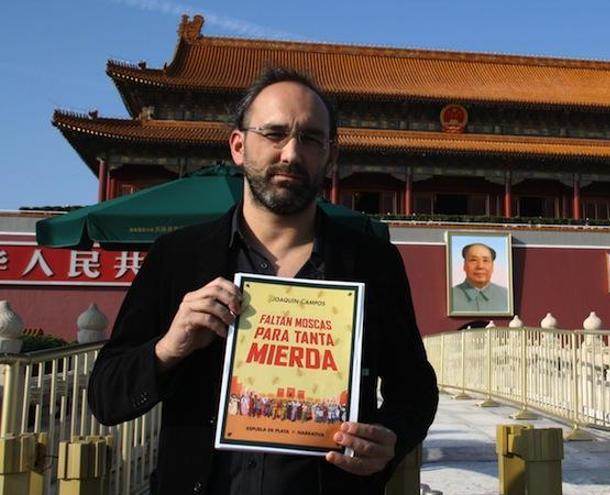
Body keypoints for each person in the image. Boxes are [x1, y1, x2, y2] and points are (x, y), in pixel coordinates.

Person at [87, 67, 439, 494]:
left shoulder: (372, 262)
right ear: (238, 146)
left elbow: (416, 390)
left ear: (330, 154)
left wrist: (391, 437)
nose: (291, 154)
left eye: (310, 139)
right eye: (274, 134)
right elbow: (105, 398)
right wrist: (168, 348)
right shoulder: (178, 257)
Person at [450, 242, 509, 313]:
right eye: (473, 260)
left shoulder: (506, 296)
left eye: (485, 260)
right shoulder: (450, 296)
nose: (480, 266)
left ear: (493, 266)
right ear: (464, 265)